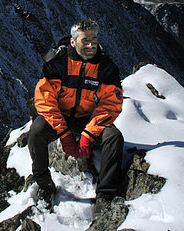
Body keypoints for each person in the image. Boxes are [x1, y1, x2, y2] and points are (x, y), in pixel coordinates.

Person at [28, 19, 124, 218]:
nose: (91, 45)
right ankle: (44, 184)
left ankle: (105, 195)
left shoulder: (106, 67)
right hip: (61, 116)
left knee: (114, 137)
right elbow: (45, 100)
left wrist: (89, 134)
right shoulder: (57, 62)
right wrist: (64, 133)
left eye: (94, 39)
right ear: (73, 42)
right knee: (37, 131)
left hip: (89, 119)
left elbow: (110, 105)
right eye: (85, 40)